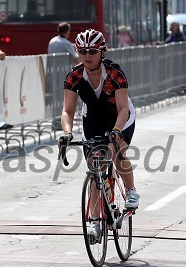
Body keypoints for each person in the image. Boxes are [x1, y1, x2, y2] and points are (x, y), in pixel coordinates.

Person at [58, 29, 139, 240]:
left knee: (115, 149)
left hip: (120, 116)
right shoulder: (74, 76)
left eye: (92, 51)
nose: (87, 55)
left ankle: (130, 190)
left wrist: (116, 131)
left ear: (102, 52)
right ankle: (94, 222)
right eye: (82, 51)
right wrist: (67, 133)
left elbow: (123, 109)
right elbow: (67, 111)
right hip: (93, 118)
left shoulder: (114, 73)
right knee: (95, 166)